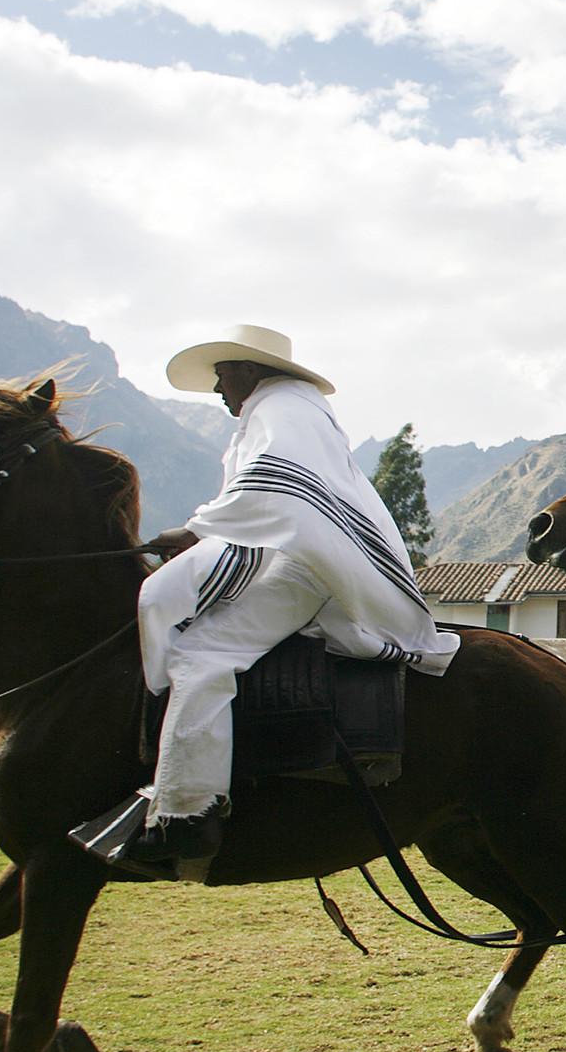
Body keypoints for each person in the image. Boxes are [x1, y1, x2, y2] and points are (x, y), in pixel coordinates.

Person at [118, 324, 458, 867]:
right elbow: (271, 497)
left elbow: (275, 483)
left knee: (203, 654)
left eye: (223, 374)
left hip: (305, 567)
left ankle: (187, 812)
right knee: (167, 601)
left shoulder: (282, 407)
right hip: (303, 558)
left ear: (250, 371)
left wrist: (196, 531)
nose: (217, 388)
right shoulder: (282, 409)